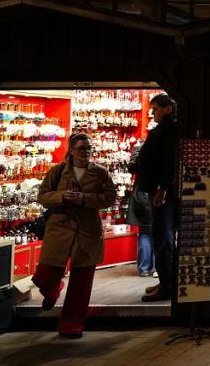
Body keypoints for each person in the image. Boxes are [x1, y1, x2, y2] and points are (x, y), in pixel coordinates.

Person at [31, 132, 116, 338]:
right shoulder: (57, 172)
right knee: (45, 275)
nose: (86, 152)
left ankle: (71, 325)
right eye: (81, 148)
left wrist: (84, 199)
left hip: (87, 231)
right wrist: (61, 196)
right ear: (71, 150)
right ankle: (53, 289)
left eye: (89, 148)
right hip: (59, 229)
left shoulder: (101, 173)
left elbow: (109, 197)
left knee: (81, 284)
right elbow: (42, 196)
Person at [133, 93, 181, 303]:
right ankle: (166, 280)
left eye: (155, 109)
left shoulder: (169, 131)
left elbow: (169, 161)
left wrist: (163, 187)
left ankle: (168, 285)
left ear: (168, 108)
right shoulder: (166, 129)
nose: (152, 113)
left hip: (164, 192)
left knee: (163, 238)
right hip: (161, 189)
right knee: (161, 237)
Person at [126, 141, 155, 278]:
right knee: (157, 232)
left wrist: (137, 150)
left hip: (141, 193)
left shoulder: (140, 148)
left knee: (144, 233)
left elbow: (132, 168)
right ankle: (157, 268)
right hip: (156, 193)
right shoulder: (162, 149)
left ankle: (144, 268)